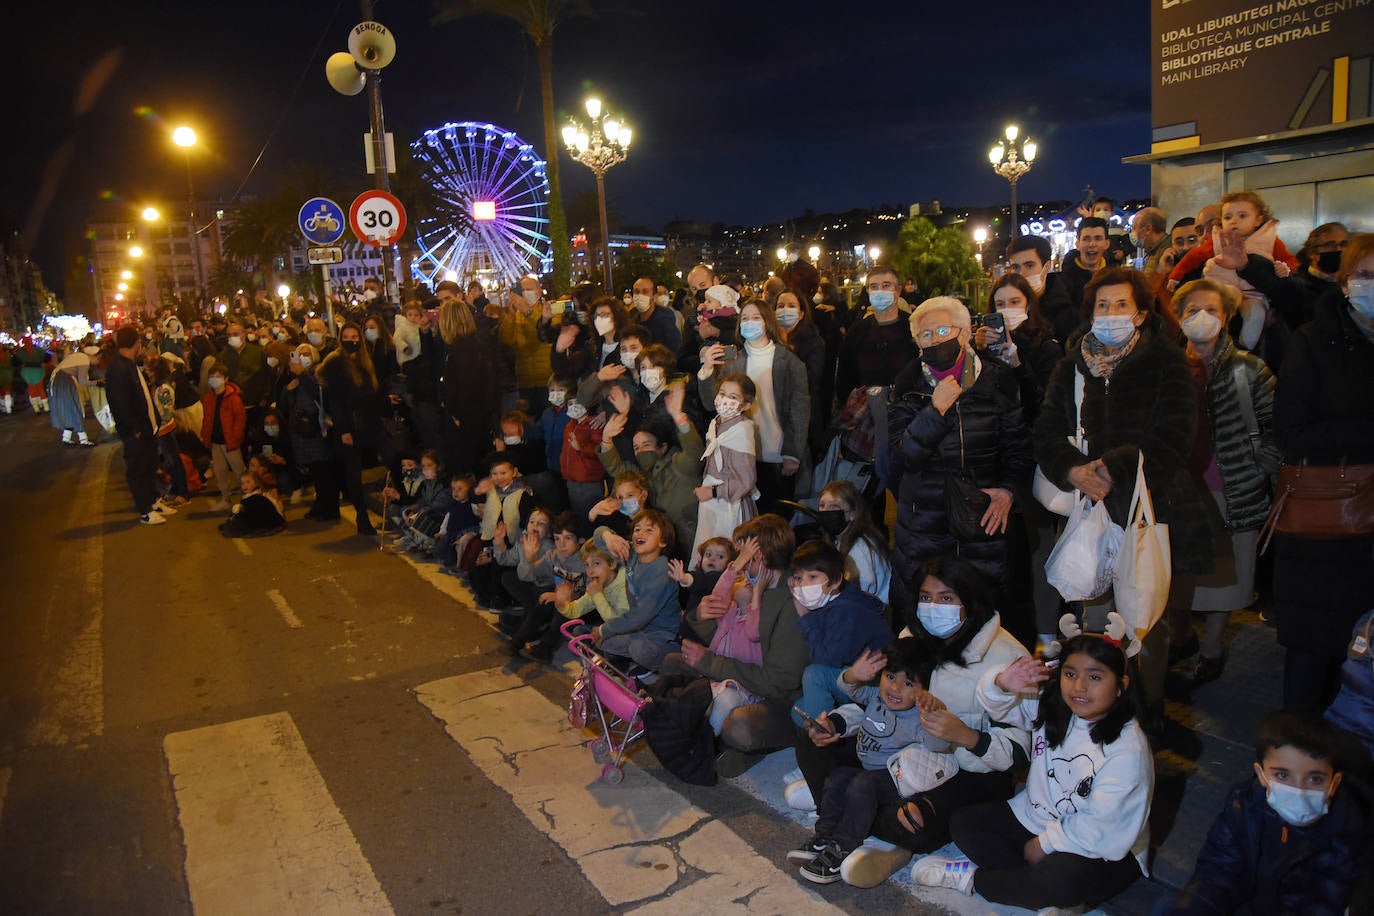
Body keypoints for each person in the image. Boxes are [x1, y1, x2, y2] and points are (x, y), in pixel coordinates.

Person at [1033, 267, 1210, 718]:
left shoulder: (1167, 361)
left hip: (1148, 509)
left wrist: (1113, 468)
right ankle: (1090, 713)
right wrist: (1072, 470)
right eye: (1102, 306)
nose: (1110, 314)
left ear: (1142, 313)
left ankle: (1143, 717)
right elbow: (1048, 430)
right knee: (1091, 619)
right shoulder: (1072, 364)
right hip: (1088, 511)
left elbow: (1174, 435)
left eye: (1121, 305)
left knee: (1143, 621)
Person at [795, 556, 1032, 889]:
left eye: (946, 598)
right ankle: (849, 814)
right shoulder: (912, 634)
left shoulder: (1008, 657)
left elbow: (1024, 750)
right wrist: (836, 722)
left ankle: (865, 826)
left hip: (964, 770)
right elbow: (879, 708)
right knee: (810, 742)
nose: (934, 607)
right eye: (925, 597)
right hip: (894, 753)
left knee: (913, 822)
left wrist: (966, 736)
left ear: (970, 600)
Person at [915, 634, 1152, 911]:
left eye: (1095, 677)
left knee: (1060, 879)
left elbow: (1101, 825)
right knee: (964, 823)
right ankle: (1039, 891)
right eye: (1070, 673)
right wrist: (1001, 684)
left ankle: (976, 879)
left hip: (1104, 847)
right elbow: (999, 707)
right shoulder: (1056, 707)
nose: (1079, 687)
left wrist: (1045, 844)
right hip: (1038, 820)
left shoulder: (1128, 748)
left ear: (1121, 686)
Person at [1271, 234, 1374, 712]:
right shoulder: (1315, 340)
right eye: (1366, 276)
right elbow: (1292, 433)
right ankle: (1298, 768)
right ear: (1347, 282)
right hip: (1330, 520)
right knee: (1315, 656)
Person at [885, 296, 1033, 628]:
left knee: (983, 615)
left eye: (942, 330)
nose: (935, 340)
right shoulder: (908, 385)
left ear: (965, 334)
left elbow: (1019, 450)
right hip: (925, 524)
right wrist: (934, 412)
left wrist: (1008, 492)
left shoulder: (998, 380)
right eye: (925, 335)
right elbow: (901, 458)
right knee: (926, 618)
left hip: (984, 522)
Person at [1165, 279, 1279, 684]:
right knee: (1176, 573)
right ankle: (1181, 637)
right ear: (1178, 317)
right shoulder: (1166, 367)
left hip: (1232, 485)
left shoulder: (1249, 368)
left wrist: (1259, 467)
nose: (1201, 318)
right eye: (1192, 309)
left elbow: (1275, 427)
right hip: (1180, 488)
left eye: (1211, 309)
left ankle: (1211, 645)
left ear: (1227, 316)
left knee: (1229, 573)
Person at [1169, 710, 1372, 915]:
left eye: (1315, 779)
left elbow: (1324, 902)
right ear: (1261, 775)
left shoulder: (1347, 831)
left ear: (1334, 783)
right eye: (1282, 775)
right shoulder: (1244, 806)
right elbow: (1218, 871)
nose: (1299, 791)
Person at [790, 639, 949, 885]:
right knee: (839, 777)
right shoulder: (876, 696)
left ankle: (842, 847)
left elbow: (939, 746)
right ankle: (825, 835)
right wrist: (854, 674)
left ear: (924, 691)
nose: (895, 688)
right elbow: (849, 688)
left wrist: (932, 714)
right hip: (868, 767)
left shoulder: (917, 718)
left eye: (908, 684)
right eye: (890, 676)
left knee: (861, 786)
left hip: (892, 779)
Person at [677, 515, 811, 773]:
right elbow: (722, 635)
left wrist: (708, 661)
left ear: (759, 558)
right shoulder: (747, 587)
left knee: (737, 724)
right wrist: (701, 615)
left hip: (775, 695)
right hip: (736, 672)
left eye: (743, 556)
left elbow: (774, 681)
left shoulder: (789, 603)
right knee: (675, 663)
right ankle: (701, 738)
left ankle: (727, 746)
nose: (737, 563)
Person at [975, 273, 1065, 644]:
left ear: (1029, 305)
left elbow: (1046, 404)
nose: (1007, 311)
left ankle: (1046, 631)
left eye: (1014, 302)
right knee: (1004, 549)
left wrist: (1018, 365)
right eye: (999, 305)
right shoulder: (982, 349)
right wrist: (978, 352)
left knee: (1039, 548)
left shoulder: (1048, 348)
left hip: (1036, 458)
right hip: (998, 458)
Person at [699, 299, 811, 513]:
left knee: (777, 518)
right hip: (742, 456)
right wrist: (706, 370)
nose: (749, 323)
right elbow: (710, 404)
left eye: (755, 317)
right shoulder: (732, 361)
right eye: (745, 319)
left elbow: (800, 410)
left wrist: (792, 453)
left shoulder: (790, 362)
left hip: (777, 455)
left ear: (767, 322)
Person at [787, 540, 895, 729]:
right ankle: (836, 718)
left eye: (812, 577)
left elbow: (826, 660)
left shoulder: (846, 611)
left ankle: (827, 729)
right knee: (798, 710)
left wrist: (805, 616)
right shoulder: (836, 599)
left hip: (873, 685)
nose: (803, 585)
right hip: (851, 674)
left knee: (814, 675)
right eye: (798, 579)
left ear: (835, 580)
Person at [599, 383, 703, 552]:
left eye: (646, 445)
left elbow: (694, 451)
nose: (641, 451)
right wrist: (606, 439)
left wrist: (679, 418)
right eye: (636, 448)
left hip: (694, 541)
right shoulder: (642, 476)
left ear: (662, 447)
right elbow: (616, 467)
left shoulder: (679, 464)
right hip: (665, 545)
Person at [591, 508, 680, 672]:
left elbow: (639, 616)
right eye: (637, 529)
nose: (640, 533)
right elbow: (597, 537)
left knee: (638, 649)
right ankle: (636, 662)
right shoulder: (631, 554)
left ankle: (669, 663)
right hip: (639, 630)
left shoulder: (661, 571)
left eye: (649, 530)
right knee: (602, 641)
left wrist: (605, 629)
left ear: (662, 542)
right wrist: (609, 537)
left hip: (661, 633)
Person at [105, 326, 173, 525]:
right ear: (137, 343)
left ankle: (153, 502)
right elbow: (120, 404)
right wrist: (134, 430)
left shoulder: (128, 364)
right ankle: (144, 510)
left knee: (150, 467)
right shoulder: (118, 368)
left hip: (146, 430)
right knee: (139, 471)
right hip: (136, 433)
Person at [316, 323, 379, 536]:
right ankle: (362, 514)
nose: (351, 340)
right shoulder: (336, 364)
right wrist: (344, 430)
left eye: (355, 336)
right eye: (347, 336)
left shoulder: (364, 362)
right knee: (354, 471)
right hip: (350, 425)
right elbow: (336, 401)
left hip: (368, 423)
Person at [691, 374, 758, 563]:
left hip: (728, 503)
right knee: (707, 546)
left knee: (724, 551)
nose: (725, 400)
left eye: (733, 397)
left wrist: (713, 491)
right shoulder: (716, 423)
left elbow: (746, 480)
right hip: (711, 500)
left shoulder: (741, 432)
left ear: (745, 405)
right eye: (722, 393)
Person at [834, 267, 920, 399]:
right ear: (868, 291)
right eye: (874, 286)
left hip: (909, 408)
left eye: (886, 285)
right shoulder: (856, 332)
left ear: (897, 290)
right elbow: (845, 377)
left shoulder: (914, 328)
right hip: (868, 409)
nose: (879, 291)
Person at [438, 299, 500, 477]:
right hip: (477, 416)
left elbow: (466, 386)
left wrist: (455, 414)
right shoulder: (475, 345)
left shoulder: (461, 350)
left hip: (467, 419)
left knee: (466, 468)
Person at [815, 480, 891, 603]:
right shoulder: (842, 537)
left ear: (853, 513)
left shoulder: (859, 550)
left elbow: (860, 590)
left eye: (834, 507)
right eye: (822, 505)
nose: (825, 511)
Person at [1006, 235, 1077, 344]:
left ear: (1047, 267)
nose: (1021, 274)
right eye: (1016, 267)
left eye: (1029, 266)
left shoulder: (1066, 314)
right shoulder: (1005, 307)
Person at [199, 362, 247, 511]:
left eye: (218, 377)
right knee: (220, 472)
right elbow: (206, 418)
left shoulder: (233, 398)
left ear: (226, 379)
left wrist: (235, 437)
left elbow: (240, 420)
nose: (214, 379)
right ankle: (225, 498)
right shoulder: (209, 397)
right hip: (215, 441)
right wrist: (205, 435)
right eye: (212, 376)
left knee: (239, 470)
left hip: (229, 441)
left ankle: (247, 499)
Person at [1292, 222, 1350, 326]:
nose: (1338, 249)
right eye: (1330, 245)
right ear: (1312, 253)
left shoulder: (1353, 283)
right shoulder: (1298, 286)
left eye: (1343, 244)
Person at [1058, 218, 1112, 315]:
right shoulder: (1063, 283)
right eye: (1086, 239)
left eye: (1098, 238)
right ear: (1077, 244)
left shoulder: (1114, 277)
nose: (1092, 244)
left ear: (1107, 244)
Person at [48, 346, 95, 446]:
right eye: (98, 358)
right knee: (75, 407)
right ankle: (83, 439)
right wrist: (97, 383)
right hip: (65, 381)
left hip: (57, 381)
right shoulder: (84, 359)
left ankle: (66, 437)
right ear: (92, 356)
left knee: (67, 409)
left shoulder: (78, 356)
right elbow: (83, 381)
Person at [219, 469, 286, 537]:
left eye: (248, 482)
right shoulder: (255, 495)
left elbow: (248, 514)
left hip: (267, 523)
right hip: (272, 522)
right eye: (242, 483)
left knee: (232, 528)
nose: (245, 486)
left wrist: (234, 517)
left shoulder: (256, 498)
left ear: (256, 483)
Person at [629, 276, 681, 355]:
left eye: (645, 292)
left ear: (654, 296)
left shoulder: (665, 321)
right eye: (636, 292)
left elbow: (673, 353)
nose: (640, 295)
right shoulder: (632, 318)